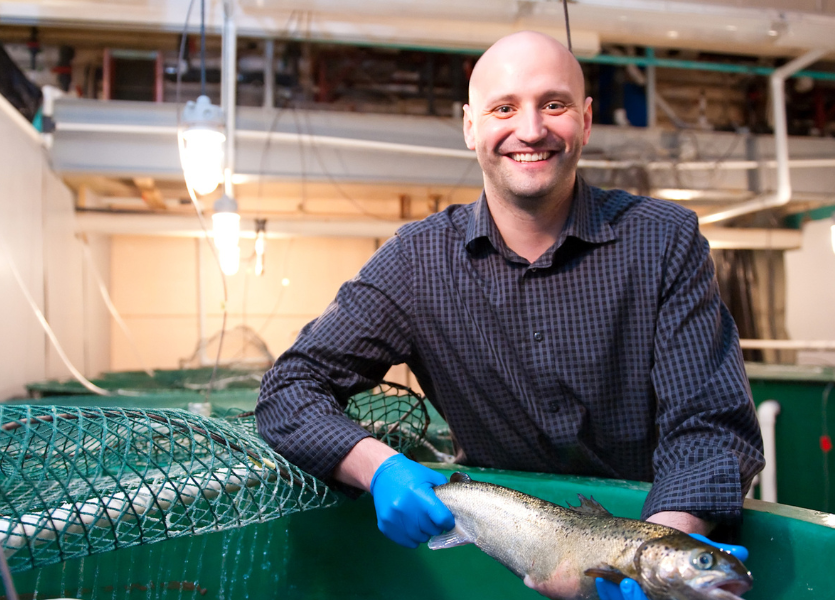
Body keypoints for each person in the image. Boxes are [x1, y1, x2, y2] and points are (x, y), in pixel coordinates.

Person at [257, 31, 764, 600]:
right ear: (471, 125)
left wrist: (662, 556)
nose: (530, 130)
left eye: (554, 105)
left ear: (586, 120)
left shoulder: (665, 240)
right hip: (497, 561)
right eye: (504, 108)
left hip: (649, 532)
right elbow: (289, 389)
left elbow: (711, 423)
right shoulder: (416, 262)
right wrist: (376, 468)